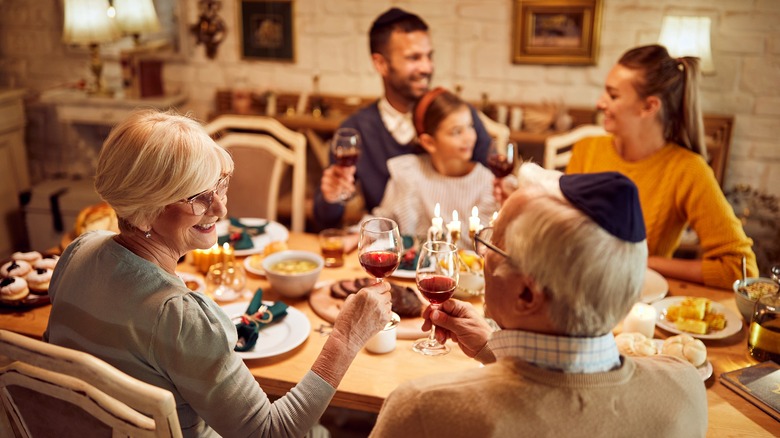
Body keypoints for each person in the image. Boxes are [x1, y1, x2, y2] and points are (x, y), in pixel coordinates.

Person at [44, 110, 393, 437]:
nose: (221, 207)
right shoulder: (179, 316)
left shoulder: (80, 250)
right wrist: (346, 337)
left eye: (220, 184)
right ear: (144, 211)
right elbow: (272, 432)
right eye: (197, 197)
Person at [371, 164, 707, 437]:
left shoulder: (425, 409)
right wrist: (493, 350)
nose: (482, 253)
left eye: (491, 241)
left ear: (526, 294)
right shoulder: (685, 387)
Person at [566, 44, 756, 289]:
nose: (599, 103)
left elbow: (740, 268)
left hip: (633, 299)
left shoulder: (688, 170)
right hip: (574, 286)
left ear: (649, 106)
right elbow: (565, 226)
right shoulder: (587, 149)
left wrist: (643, 261)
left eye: (613, 96)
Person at [314, 7, 492, 228]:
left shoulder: (460, 119)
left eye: (429, 56)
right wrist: (331, 198)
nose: (427, 67)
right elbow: (326, 222)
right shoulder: (357, 129)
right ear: (380, 63)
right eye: (414, 58)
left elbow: (493, 189)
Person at [370, 87, 497, 246]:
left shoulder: (487, 183)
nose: (469, 137)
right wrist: (360, 235)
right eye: (456, 131)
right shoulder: (409, 172)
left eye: (470, 126)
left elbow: (489, 243)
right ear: (429, 142)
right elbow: (383, 222)